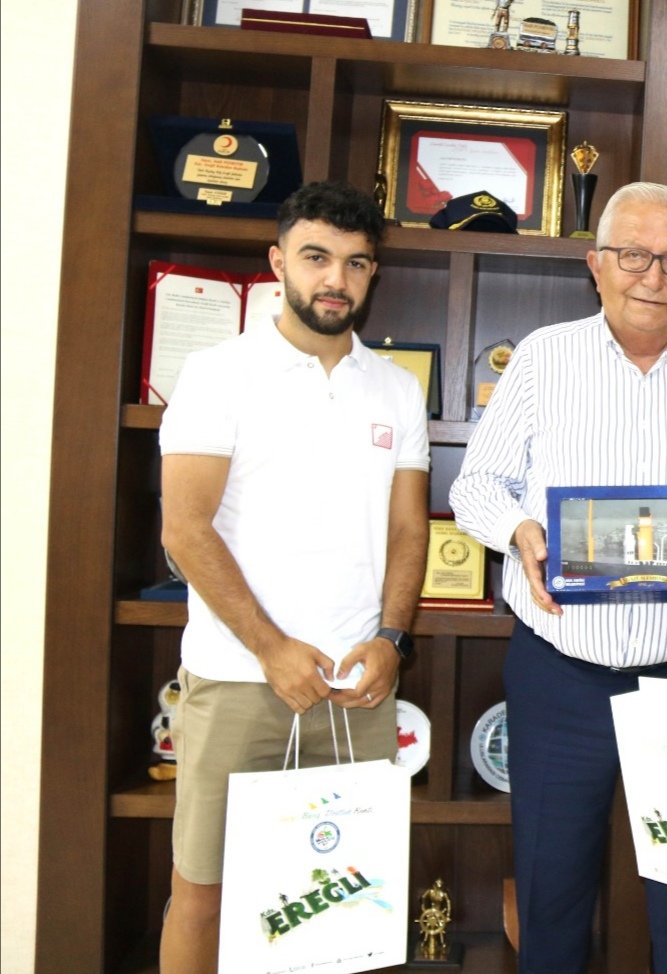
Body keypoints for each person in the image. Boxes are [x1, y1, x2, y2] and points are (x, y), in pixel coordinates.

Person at [449, 181, 667, 974]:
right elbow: (477, 487)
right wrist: (519, 532)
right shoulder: (542, 358)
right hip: (560, 672)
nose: (652, 276)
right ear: (595, 265)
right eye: (633, 255)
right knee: (551, 895)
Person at [156, 180, 430, 974]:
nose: (335, 279)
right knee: (204, 895)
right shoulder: (218, 373)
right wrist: (271, 648)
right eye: (316, 257)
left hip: (356, 687)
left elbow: (408, 530)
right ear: (278, 262)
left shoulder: (397, 388)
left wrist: (391, 640)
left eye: (356, 263)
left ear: (372, 273)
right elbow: (185, 527)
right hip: (238, 681)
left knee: (345, 898)